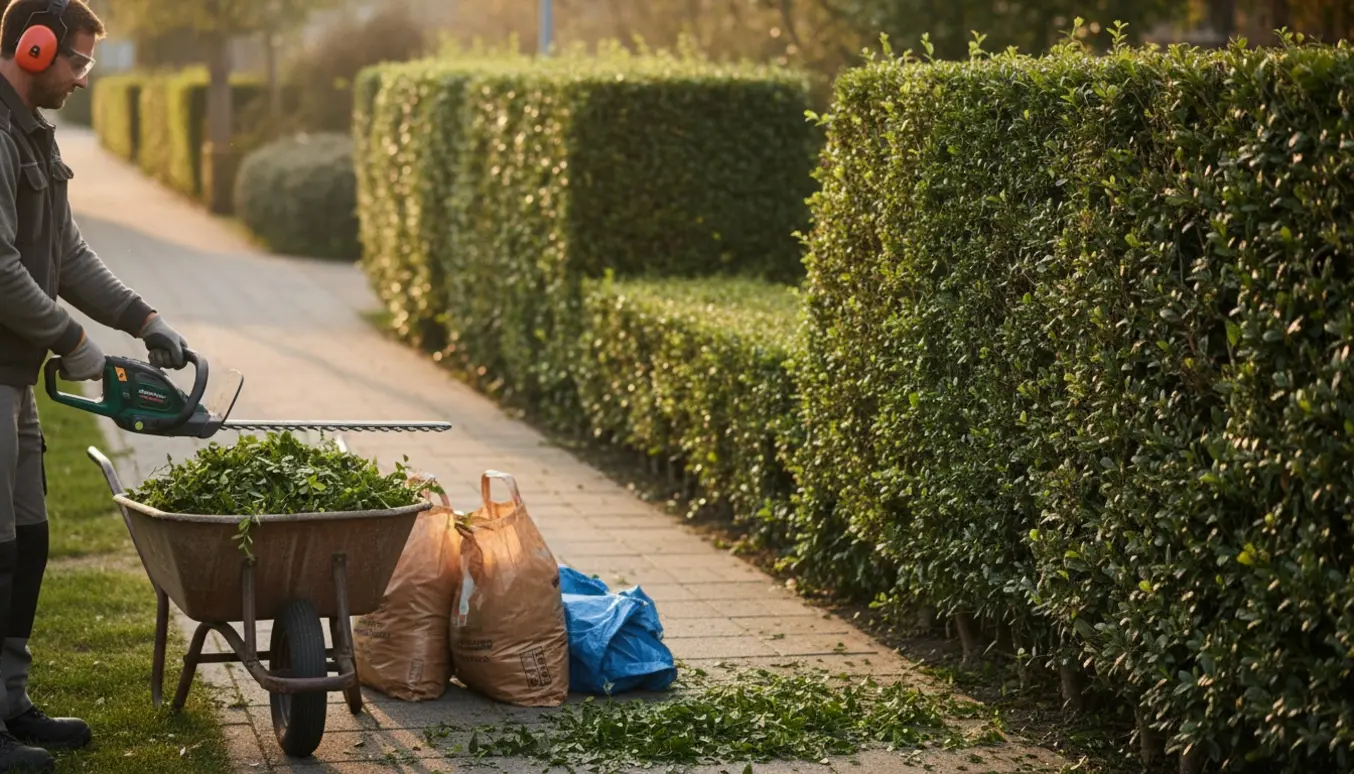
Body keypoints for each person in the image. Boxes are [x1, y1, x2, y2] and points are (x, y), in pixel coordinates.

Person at [0, 0, 189, 770]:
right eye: (75, 61)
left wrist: (143, 317)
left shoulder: (35, 134)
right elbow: (1, 267)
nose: (82, 77)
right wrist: (75, 342)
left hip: (13, 376)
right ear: (34, 48)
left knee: (30, 538)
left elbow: (66, 252)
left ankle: (9, 702)